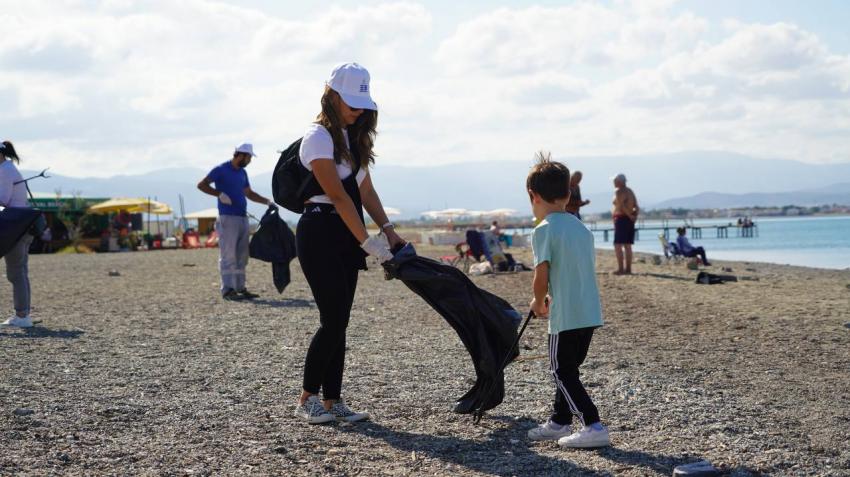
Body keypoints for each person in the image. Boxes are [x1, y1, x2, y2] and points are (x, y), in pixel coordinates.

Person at [294, 62, 404, 425]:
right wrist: (368, 242)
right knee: (333, 318)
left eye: (362, 103)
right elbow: (339, 196)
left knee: (341, 320)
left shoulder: (352, 139)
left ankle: (333, 401)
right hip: (320, 231)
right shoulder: (318, 137)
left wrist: (387, 230)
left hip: (344, 233)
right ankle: (307, 399)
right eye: (352, 102)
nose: (359, 110)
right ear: (332, 95)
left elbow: (365, 191)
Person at [525, 152, 609, 448]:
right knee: (569, 369)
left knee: (561, 371)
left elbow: (542, 273)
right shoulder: (581, 227)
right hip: (588, 311)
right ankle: (560, 421)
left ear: (533, 195)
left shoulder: (543, 230)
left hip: (565, 315)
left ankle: (593, 424)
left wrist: (538, 301)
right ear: (568, 193)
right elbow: (572, 270)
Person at [197, 143, 273, 301]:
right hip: (227, 218)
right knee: (228, 255)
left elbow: (249, 193)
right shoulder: (220, 169)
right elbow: (201, 185)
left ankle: (240, 287)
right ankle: (228, 289)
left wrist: (267, 202)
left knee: (242, 255)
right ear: (241, 155)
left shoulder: (242, 173)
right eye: (249, 157)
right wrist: (219, 194)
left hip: (242, 218)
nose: (250, 160)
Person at [0, 141, 34, 328]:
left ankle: (22, 316)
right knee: (20, 271)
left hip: (15, 227)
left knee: (15, 273)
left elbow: (3, 200)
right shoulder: (9, 168)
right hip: (23, 225)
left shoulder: (4, 171)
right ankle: (23, 314)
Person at [611, 173, 639, 275]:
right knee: (627, 245)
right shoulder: (630, 191)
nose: (613, 183)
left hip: (622, 219)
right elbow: (636, 206)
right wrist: (634, 216)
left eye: (614, 181)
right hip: (629, 219)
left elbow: (621, 205)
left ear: (619, 181)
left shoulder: (618, 191)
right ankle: (628, 269)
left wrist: (629, 215)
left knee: (618, 245)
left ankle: (621, 269)